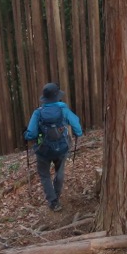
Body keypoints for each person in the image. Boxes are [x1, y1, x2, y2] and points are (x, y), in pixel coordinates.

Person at [24, 83, 82, 211]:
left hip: (43, 150)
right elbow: (76, 123)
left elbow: (31, 133)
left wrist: (26, 135)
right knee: (59, 172)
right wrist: (78, 133)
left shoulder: (38, 113)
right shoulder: (63, 110)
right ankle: (57, 195)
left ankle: (53, 202)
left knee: (44, 174)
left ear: (45, 99)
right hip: (61, 148)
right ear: (57, 97)